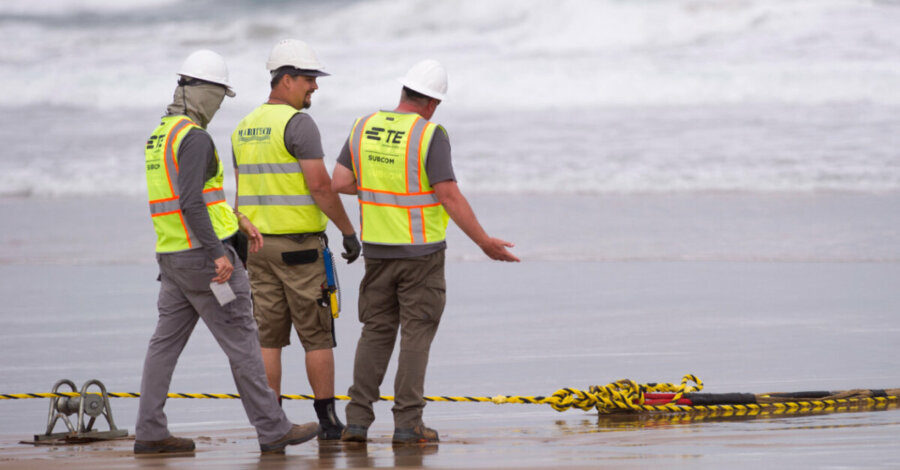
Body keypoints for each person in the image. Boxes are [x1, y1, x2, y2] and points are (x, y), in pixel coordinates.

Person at [137, 49, 319, 455]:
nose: (219, 107)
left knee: (163, 346)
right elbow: (190, 202)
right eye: (218, 97)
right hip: (207, 263)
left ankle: (149, 430)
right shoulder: (195, 138)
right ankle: (273, 430)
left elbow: (195, 198)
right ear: (202, 93)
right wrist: (219, 252)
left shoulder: (159, 135)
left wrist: (237, 220)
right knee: (243, 342)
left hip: (172, 258)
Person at [331, 59, 520, 444]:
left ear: (403, 91)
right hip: (421, 254)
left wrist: (378, 188)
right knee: (416, 334)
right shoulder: (430, 134)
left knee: (376, 332)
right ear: (433, 102)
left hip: (377, 251)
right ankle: (407, 423)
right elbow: (448, 194)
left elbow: (340, 181)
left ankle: (356, 421)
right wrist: (484, 241)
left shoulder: (363, 126)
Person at [231, 39, 360, 440]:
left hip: (255, 248)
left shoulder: (243, 127)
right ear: (285, 80)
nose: (314, 87)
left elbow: (241, 196)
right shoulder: (297, 124)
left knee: (268, 337)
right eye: (308, 79)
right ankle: (327, 422)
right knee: (317, 333)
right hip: (300, 249)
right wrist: (348, 232)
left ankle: (272, 423)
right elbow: (321, 187)